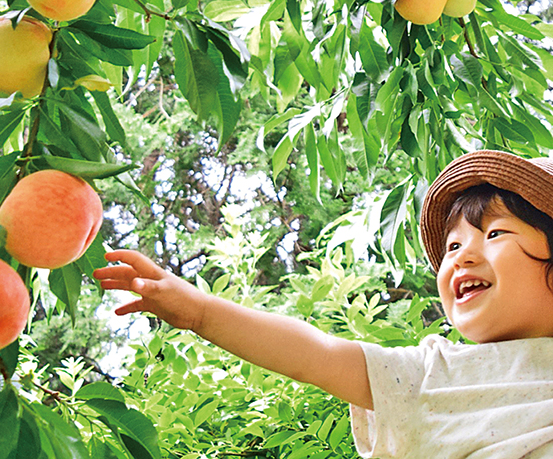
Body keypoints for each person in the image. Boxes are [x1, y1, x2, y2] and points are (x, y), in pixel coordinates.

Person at [94, 150, 553, 459]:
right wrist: (199, 312)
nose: (463, 256)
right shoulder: (430, 373)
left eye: (495, 234)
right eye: (452, 247)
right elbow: (316, 355)